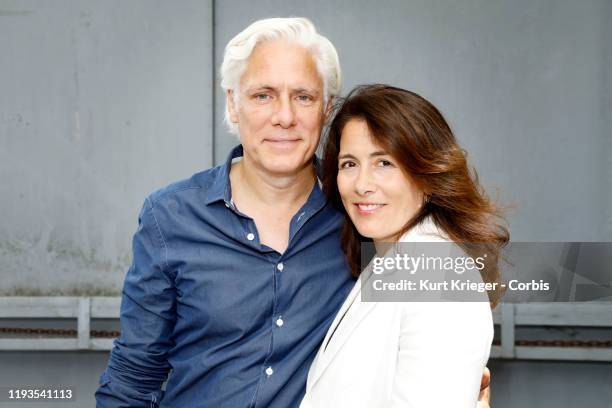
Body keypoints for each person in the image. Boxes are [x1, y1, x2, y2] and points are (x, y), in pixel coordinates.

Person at [96, 18, 492, 407]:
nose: (284, 116)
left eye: (303, 96)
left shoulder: (361, 216)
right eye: (263, 95)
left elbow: (435, 308)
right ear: (234, 103)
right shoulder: (171, 216)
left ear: (326, 109)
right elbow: (135, 374)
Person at [300, 84, 508, 407]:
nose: (362, 185)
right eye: (349, 164)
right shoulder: (390, 263)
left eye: (384, 163)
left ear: (426, 174)